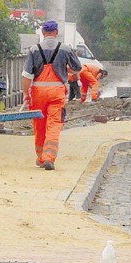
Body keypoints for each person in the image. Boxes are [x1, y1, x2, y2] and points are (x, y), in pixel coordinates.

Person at [22, 20, 81, 170]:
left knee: (39, 125)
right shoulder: (65, 49)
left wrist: (25, 94)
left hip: (38, 93)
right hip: (57, 93)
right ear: (56, 32)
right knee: (54, 125)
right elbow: (77, 68)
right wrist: (63, 68)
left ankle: (41, 158)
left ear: (43, 32)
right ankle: (49, 157)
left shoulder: (34, 49)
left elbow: (27, 75)